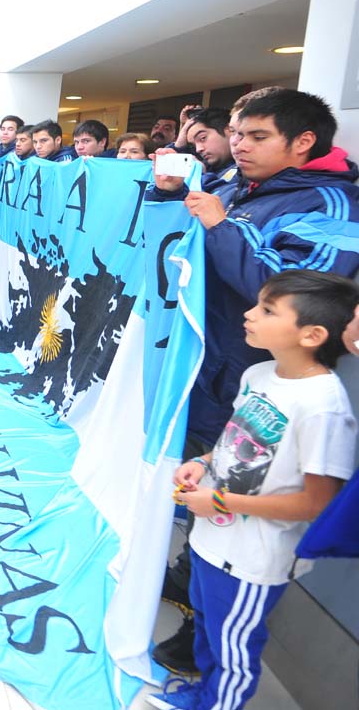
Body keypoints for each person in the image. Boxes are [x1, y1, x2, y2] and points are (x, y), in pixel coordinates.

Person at [148, 89, 359, 675]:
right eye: (236, 133)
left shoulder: (331, 206)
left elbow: (293, 299)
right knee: (201, 476)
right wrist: (164, 194)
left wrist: (220, 227)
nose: (238, 144)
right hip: (211, 366)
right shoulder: (239, 184)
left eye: (256, 136)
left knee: (236, 503)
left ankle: (205, 639)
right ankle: (187, 582)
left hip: (262, 388)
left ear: (304, 142)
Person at [148, 270, 358, 710]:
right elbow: (234, 440)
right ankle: (201, 696)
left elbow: (317, 503)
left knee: (233, 654)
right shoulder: (260, 373)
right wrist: (200, 464)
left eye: (266, 309)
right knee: (206, 630)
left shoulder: (324, 407)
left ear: (312, 334)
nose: (249, 314)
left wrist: (218, 501)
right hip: (211, 540)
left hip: (251, 560)